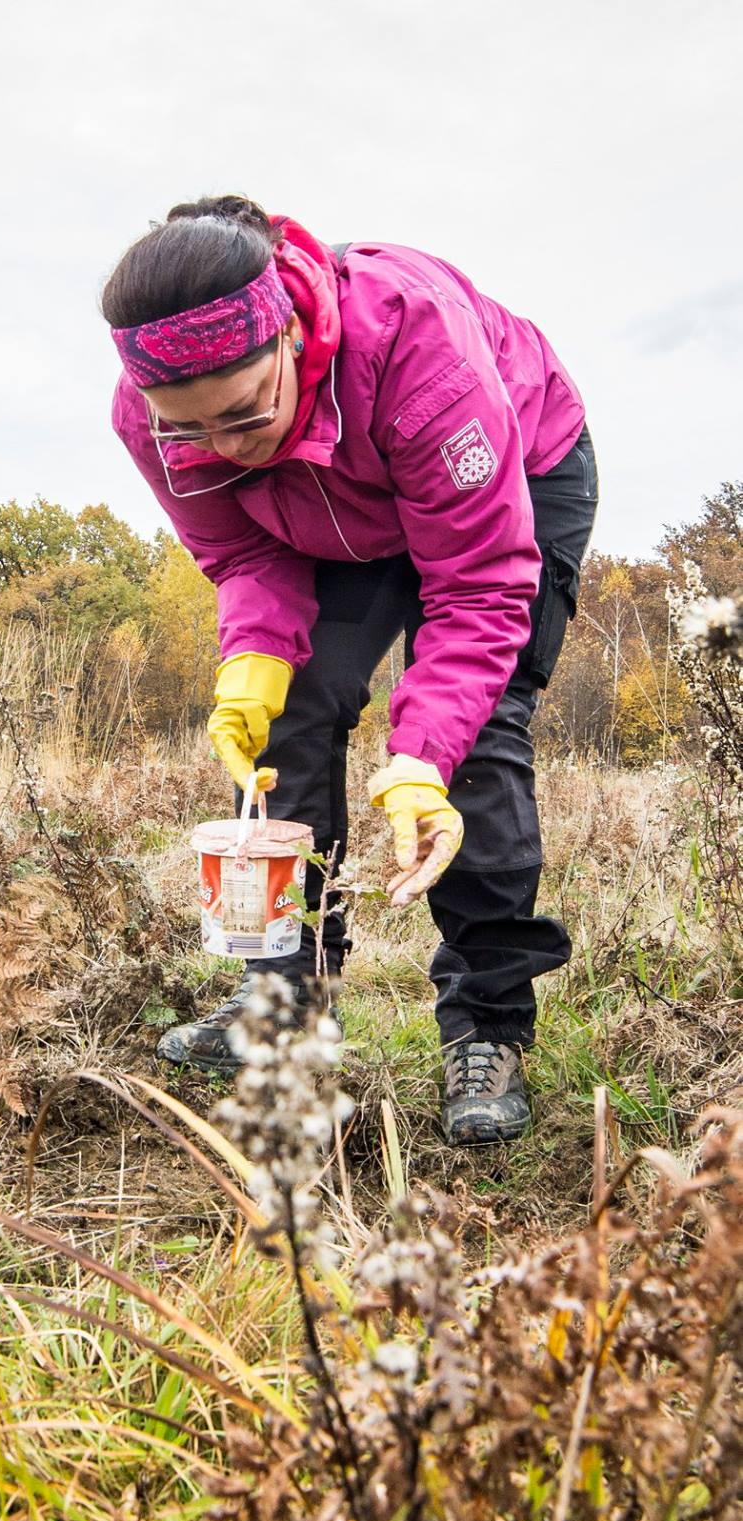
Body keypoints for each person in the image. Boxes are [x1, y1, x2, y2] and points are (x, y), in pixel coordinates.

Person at [102, 197, 597, 1144]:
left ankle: (488, 1025)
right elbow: (246, 554)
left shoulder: (418, 355)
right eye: (189, 429)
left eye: (243, 414)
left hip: (509, 477)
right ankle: (284, 998)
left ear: (290, 337)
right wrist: (252, 657)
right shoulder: (152, 418)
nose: (221, 448)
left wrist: (418, 757)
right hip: (323, 503)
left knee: (474, 738)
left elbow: (478, 587)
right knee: (290, 707)